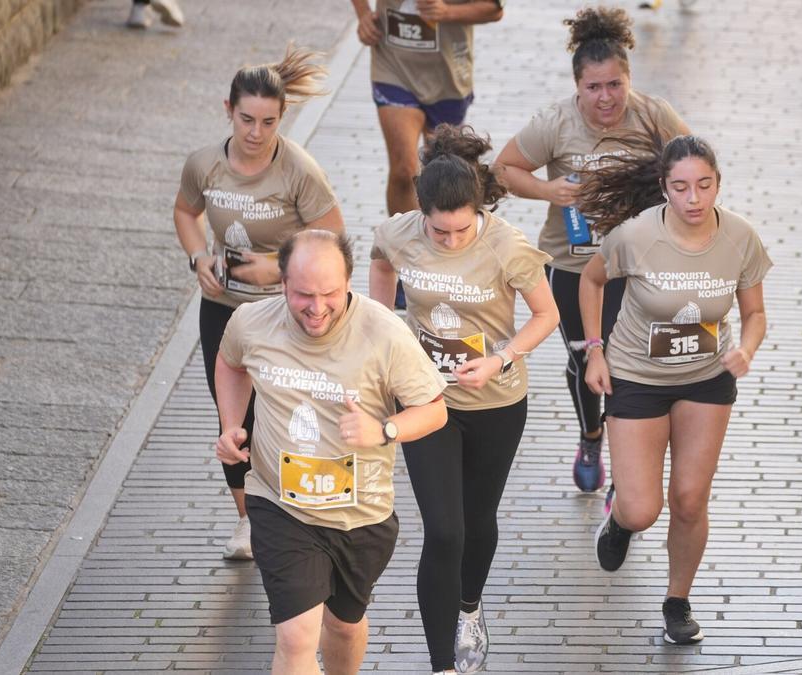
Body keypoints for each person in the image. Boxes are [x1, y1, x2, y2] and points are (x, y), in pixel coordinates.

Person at [369, 125, 559, 674]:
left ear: (478, 210)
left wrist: (500, 358)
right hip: (426, 403)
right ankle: (442, 666)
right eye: (439, 231)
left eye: (461, 230)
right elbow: (380, 263)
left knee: (477, 521)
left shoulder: (507, 246)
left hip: (496, 402)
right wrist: (385, 327)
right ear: (421, 210)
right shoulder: (399, 232)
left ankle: (469, 607)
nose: (451, 241)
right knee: (443, 530)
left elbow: (547, 315)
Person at [214, 229, 448, 675]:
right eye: (303, 295)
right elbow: (230, 362)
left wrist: (384, 429)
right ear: (283, 282)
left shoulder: (384, 332)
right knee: (296, 636)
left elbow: (434, 410)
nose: (317, 308)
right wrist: (231, 424)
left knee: (342, 626)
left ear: (347, 283)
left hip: (361, 515)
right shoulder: (252, 322)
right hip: (280, 505)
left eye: (329, 294)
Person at [578, 134, 770, 645]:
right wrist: (594, 349)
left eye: (704, 185)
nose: (693, 198)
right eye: (681, 187)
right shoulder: (635, 236)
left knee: (689, 499)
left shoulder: (740, 237)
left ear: (718, 184)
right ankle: (619, 523)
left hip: (707, 377)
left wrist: (747, 349)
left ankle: (677, 600)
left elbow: (754, 313)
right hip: (636, 376)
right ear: (664, 188)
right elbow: (591, 281)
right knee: (643, 508)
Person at [494, 6, 690, 493]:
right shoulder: (555, 122)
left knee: (627, 361)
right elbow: (504, 170)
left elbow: (693, 166)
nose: (606, 97)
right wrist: (549, 190)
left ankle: (627, 461)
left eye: (615, 85)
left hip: (636, 266)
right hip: (572, 263)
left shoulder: (654, 114)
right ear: (577, 86)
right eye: (594, 87)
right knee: (586, 358)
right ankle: (590, 435)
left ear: (629, 79)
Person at [173, 45, 345, 559]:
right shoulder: (204, 163)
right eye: (246, 119)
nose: (255, 132)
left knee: (291, 412)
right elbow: (185, 212)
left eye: (268, 122)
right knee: (234, 417)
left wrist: (278, 267)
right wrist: (199, 257)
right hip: (225, 309)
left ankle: (302, 509)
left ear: (282, 117)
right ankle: (249, 520)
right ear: (228, 110)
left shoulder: (298, 170)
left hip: (287, 312)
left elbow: (334, 240)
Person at [351, 0, 504, 309]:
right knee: (404, 169)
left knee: (445, 172)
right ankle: (405, 264)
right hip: (393, 65)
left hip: (448, 74)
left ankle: (447, 258)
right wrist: (364, 15)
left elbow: (494, 9)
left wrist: (448, 12)